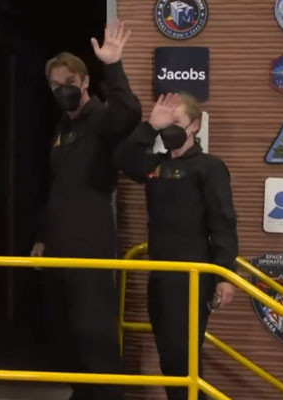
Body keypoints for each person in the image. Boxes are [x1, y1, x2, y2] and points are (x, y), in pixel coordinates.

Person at [30, 20, 141, 400]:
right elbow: (57, 186)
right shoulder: (62, 127)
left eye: (69, 83)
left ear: (84, 82)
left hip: (90, 241)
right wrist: (43, 237)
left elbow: (129, 112)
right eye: (55, 85)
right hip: (58, 244)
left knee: (96, 333)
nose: (62, 90)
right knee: (65, 334)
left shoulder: (102, 118)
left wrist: (114, 64)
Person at [114, 93, 238, 400]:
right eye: (166, 124)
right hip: (160, 275)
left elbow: (222, 221)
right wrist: (151, 126)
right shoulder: (156, 167)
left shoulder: (209, 167)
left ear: (194, 126)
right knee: (169, 358)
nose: (170, 129)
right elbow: (124, 159)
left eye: (177, 122)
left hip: (191, 277)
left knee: (182, 359)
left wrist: (225, 275)